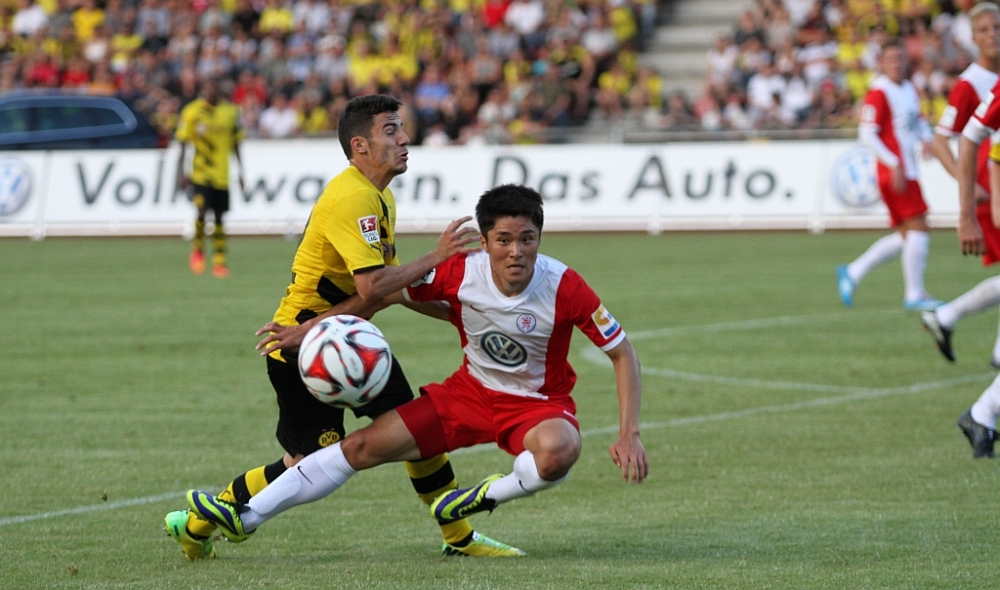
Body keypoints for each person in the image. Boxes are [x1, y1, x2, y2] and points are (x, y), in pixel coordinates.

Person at [184, 184, 649, 549]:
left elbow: (622, 352)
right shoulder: (461, 271)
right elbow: (385, 293)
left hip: (536, 405)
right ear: (485, 242)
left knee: (559, 451)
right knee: (359, 447)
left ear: (539, 239)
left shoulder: (565, 285)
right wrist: (308, 330)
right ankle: (247, 518)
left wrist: (629, 433)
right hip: (467, 395)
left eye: (527, 239)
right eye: (504, 240)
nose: (516, 252)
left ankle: (481, 497)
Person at [164, 94, 524, 560]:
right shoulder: (353, 197)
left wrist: (464, 315)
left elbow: (391, 287)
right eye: (391, 130)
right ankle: (200, 523)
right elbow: (375, 286)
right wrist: (437, 256)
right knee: (309, 462)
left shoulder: (379, 196)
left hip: (345, 339)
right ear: (360, 145)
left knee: (417, 426)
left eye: (401, 128)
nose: (404, 138)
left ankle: (459, 538)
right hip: (301, 347)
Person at [922, 3, 1000, 367]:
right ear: (973, 38)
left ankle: (947, 317)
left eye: (997, 27)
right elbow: (942, 141)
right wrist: (966, 189)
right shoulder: (969, 84)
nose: (992, 35)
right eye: (984, 30)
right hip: (990, 192)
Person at [836, 39, 941, 311]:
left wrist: (926, 139)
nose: (896, 63)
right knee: (919, 227)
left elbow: (917, 121)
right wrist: (893, 163)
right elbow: (866, 134)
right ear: (881, 63)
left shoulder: (909, 88)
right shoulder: (878, 92)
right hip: (894, 171)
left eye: (900, 58)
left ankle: (853, 272)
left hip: (907, 168)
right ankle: (914, 294)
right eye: (891, 59)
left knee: (908, 234)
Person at [175, 78, 246, 279]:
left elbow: (236, 144)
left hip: (222, 174)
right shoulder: (192, 111)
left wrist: (241, 172)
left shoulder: (231, 112)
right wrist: (181, 173)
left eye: (214, 88)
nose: (211, 92)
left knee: (220, 217)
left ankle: (219, 261)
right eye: (207, 89)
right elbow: (183, 143)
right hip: (200, 173)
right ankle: (198, 250)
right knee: (201, 211)